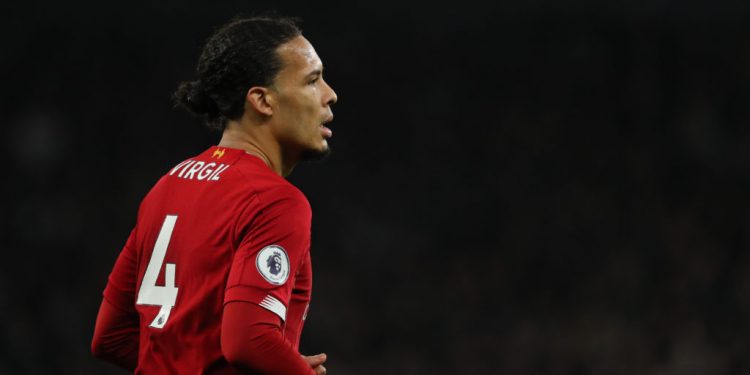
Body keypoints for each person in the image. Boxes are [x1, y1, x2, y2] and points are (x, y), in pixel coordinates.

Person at [91, 15, 337, 375]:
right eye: (312, 81)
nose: (330, 94)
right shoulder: (275, 200)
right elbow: (249, 340)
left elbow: (109, 337)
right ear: (262, 101)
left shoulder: (167, 186)